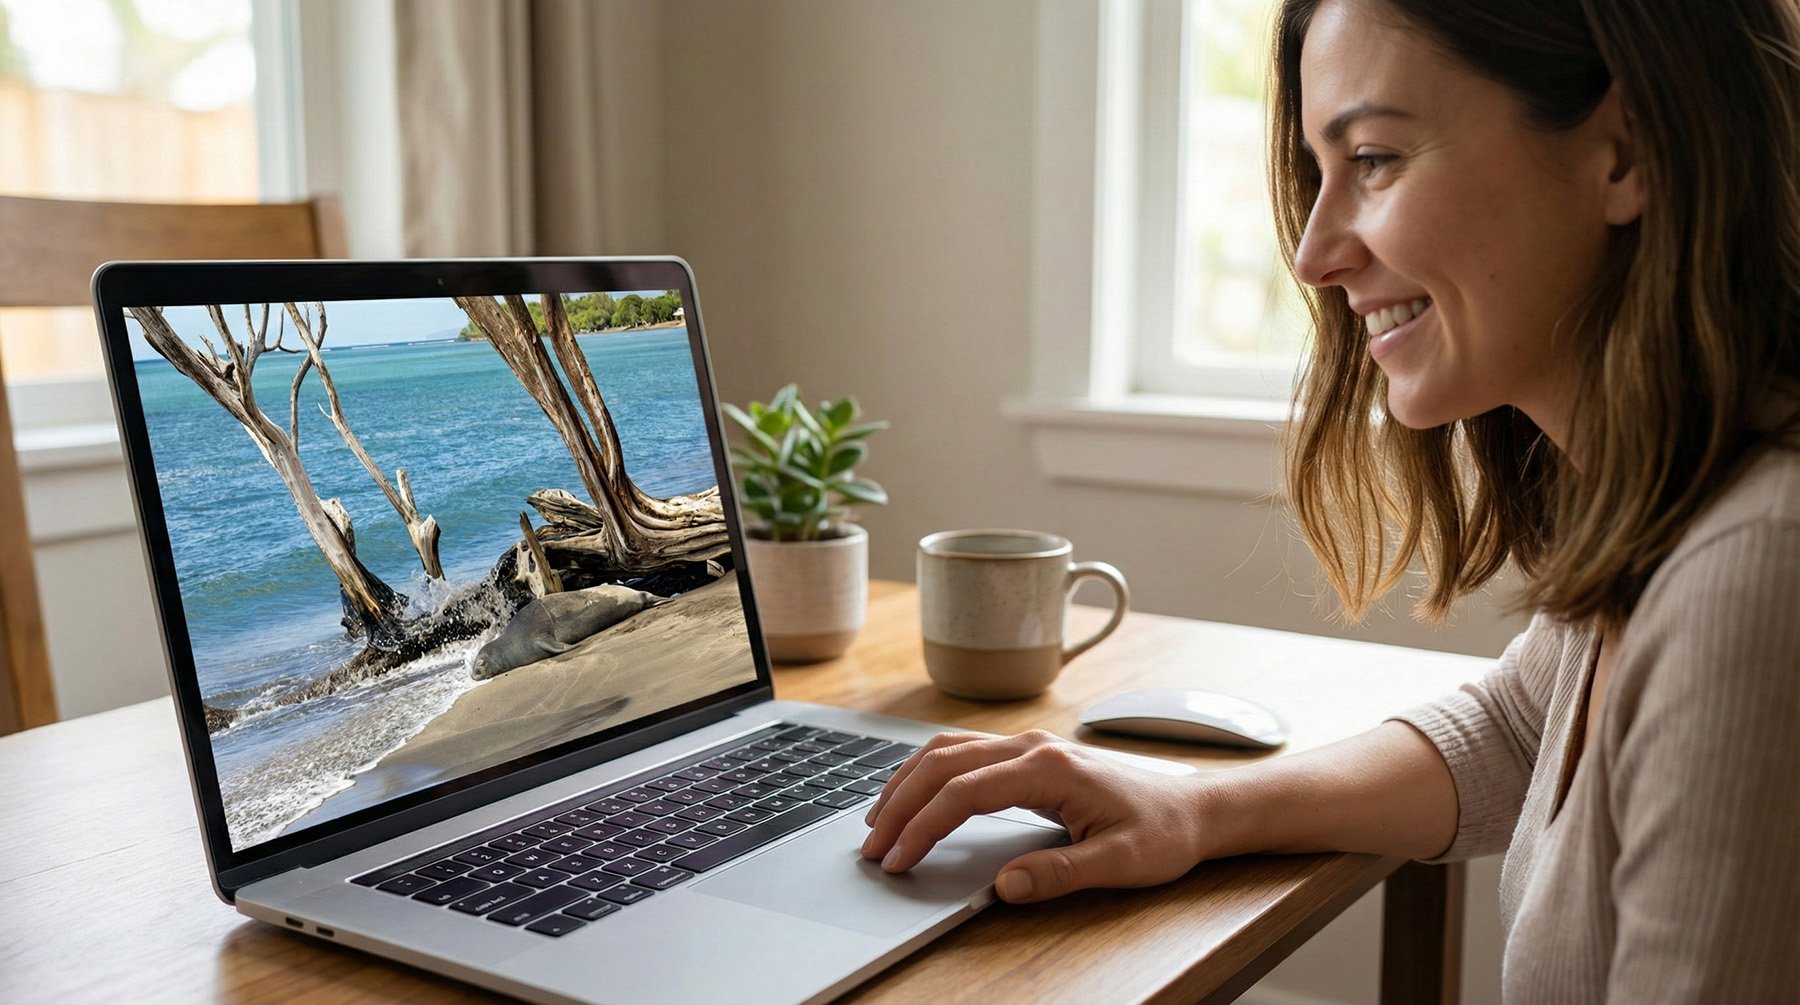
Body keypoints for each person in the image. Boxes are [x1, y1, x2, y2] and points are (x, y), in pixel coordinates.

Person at [861, 0, 1800, 998]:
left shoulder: (1755, 573)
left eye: (1377, 160)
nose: (1314, 254)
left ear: (1626, 151)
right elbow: (1522, 730)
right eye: (1321, 170)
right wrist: (1193, 810)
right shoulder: (1666, 503)